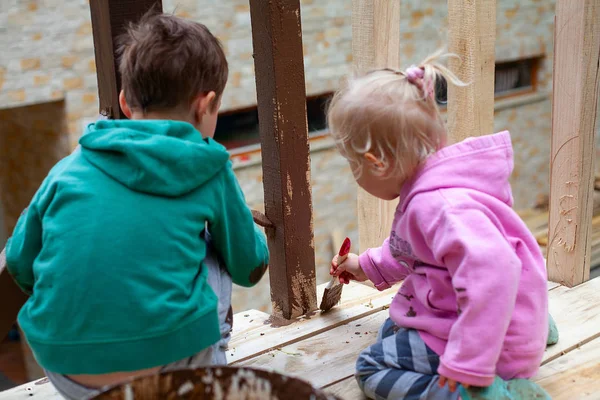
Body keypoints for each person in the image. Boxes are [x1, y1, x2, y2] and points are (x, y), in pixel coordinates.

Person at [5, 11, 269, 399]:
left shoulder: (66, 170)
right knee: (213, 246)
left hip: (69, 370)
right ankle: (213, 363)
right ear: (205, 105)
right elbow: (249, 267)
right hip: (170, 371)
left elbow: (19, 263)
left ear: (126, 102)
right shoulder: (209, 168)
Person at [327, 52, 553, 399]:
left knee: (371, 365)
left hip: (487, 351)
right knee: (393, 328)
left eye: (352, 164)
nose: (354, 174)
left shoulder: (437, 205)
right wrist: (367, 266)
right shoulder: (434, 185)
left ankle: (472, 393)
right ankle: (524, 337)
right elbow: (418, 250)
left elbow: (493, 273)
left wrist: (467, 364)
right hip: (502, 319)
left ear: (377, 163)